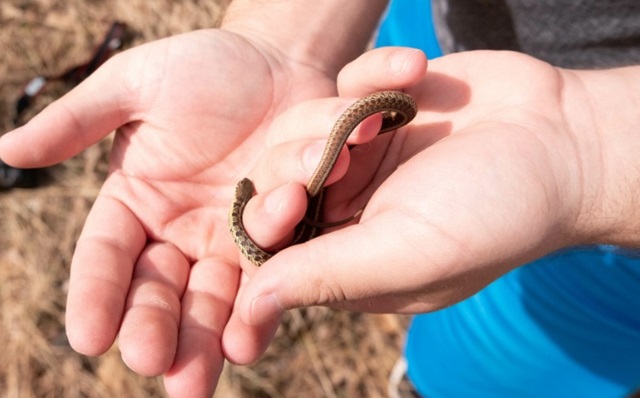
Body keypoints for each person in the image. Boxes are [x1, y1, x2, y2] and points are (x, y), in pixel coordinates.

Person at [1, 1, 639, 397]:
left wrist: (587, 151)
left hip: (615, 217)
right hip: (447, 69)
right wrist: (287, 42)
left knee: (503, 369)